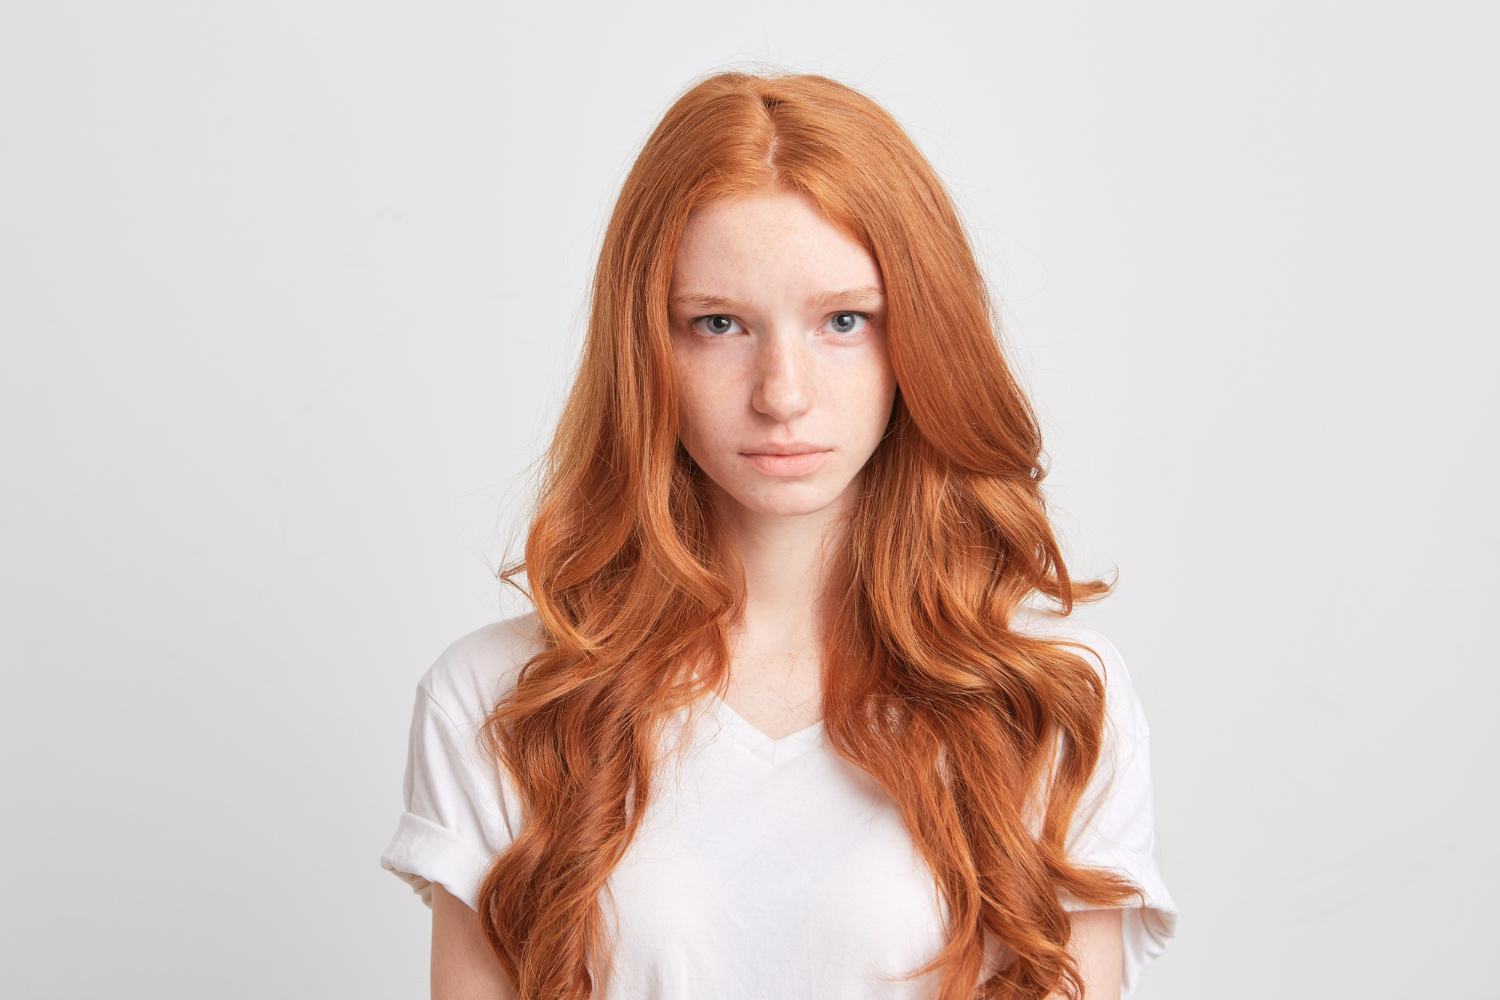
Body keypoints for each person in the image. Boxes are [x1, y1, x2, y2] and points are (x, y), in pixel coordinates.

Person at [381, 72, 1176, 1000]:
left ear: (920, 334)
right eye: (719, 324)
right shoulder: (495, 703)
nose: (783, 393)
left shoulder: (1054, 698)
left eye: (844, 320)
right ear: (649, 350)